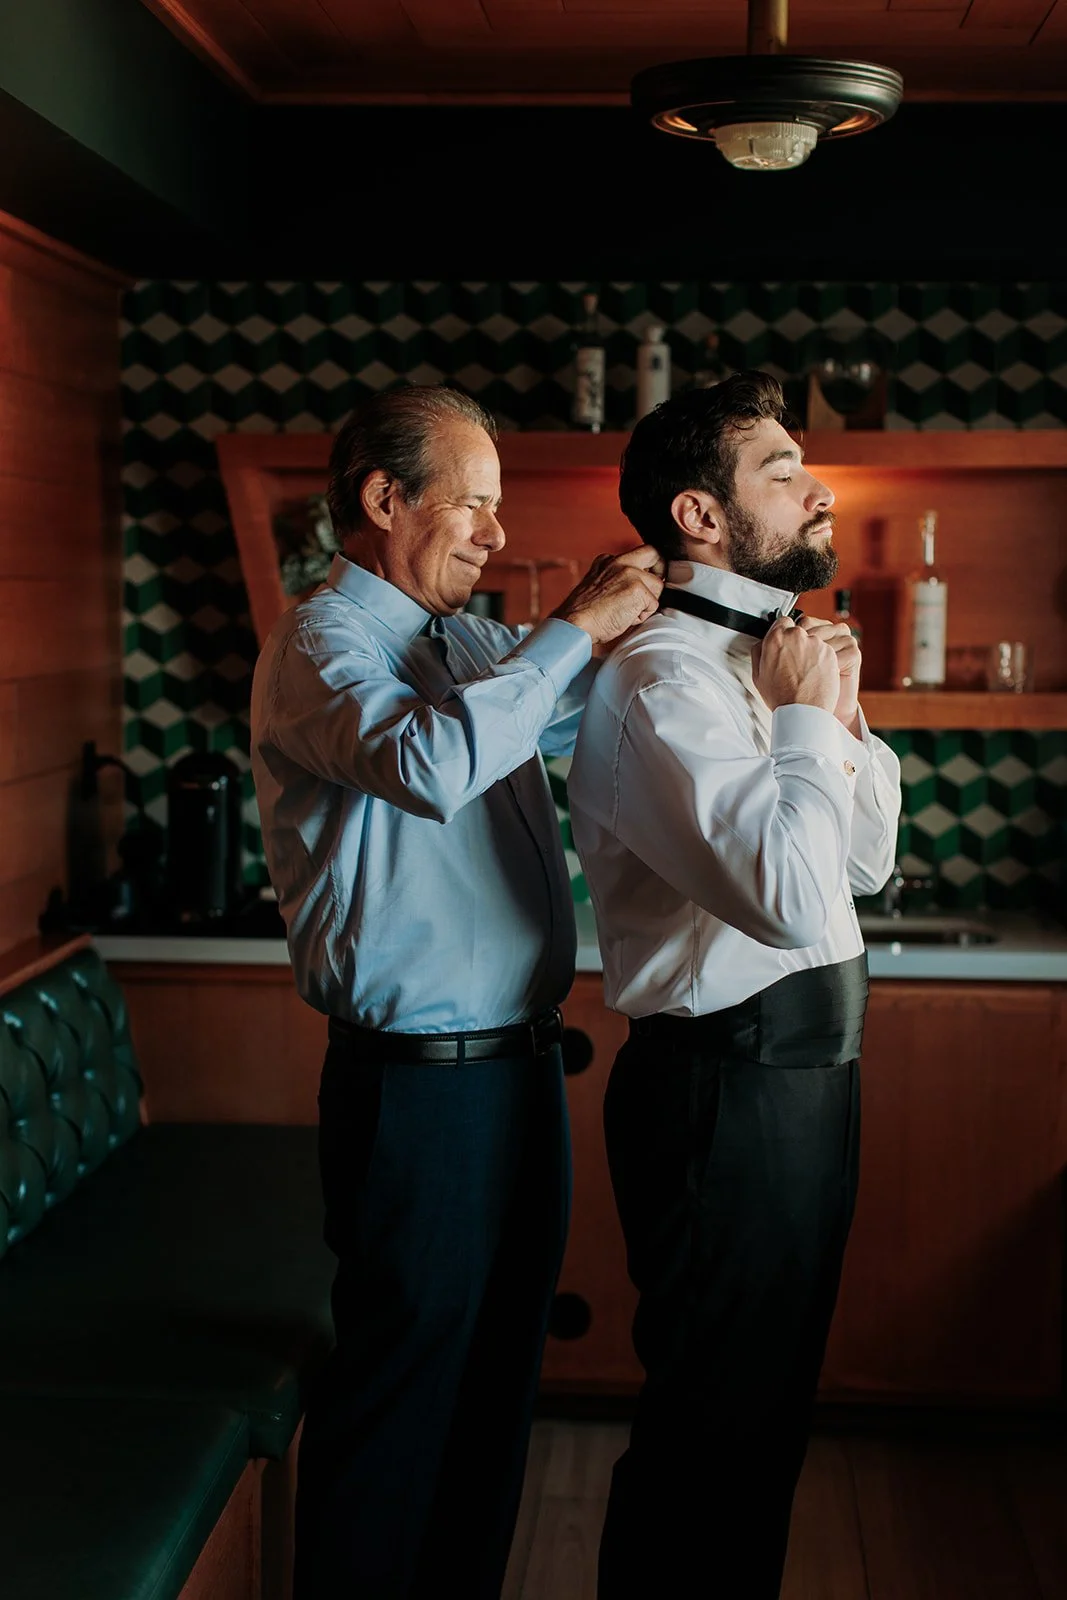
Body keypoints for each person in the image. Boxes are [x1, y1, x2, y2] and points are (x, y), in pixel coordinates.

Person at [249, 383, 664, 1600]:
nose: (492, 532)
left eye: (496, 507)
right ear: (383, 499)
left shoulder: (471, 644)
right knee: (400, 1400)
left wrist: (662, 611)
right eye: (470, 504)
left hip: (517, 1072)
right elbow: (432, 763)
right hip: (414, 1094)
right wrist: (572, 628)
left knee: (494, 1393)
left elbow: (571, 699)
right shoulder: (323, 642)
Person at [567, 371, 902, 1598]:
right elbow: (780, 892)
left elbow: (862, 861)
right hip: (725, 1088)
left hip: (807, 1085)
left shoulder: (780, 664)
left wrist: (837, 712)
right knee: (710, 1428)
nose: (816, 490)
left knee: (762, 1426)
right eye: (779, 470)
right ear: (698, 516)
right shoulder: (663, 681)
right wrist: (804, 727)